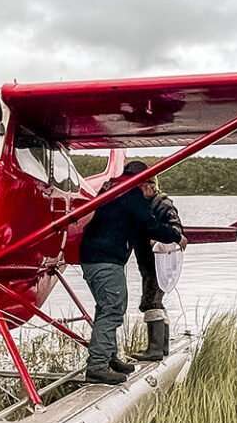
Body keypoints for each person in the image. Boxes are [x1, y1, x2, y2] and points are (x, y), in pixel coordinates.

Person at [78, 161, 182, 384]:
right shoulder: (131, 194)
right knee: (113, 309)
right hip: (105, 260)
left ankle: (110, 357)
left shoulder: (113, 189)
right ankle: (97, 366)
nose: (151, 188)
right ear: (141, 180)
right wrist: (176, 236)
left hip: (91, 258)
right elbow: (149, 225)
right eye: (149, 182)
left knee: (105, 308)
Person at [131, 172, 186, 360]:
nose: (144, 187)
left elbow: (176, 230)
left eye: (147, 183)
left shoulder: (163, 204)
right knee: (156, 301)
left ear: (153, 185)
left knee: (150, 302)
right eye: (140, 184)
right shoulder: (144, 205)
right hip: (148, 263)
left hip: (160, 263)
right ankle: (162, 348)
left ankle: (155, 349)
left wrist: (157, 240)